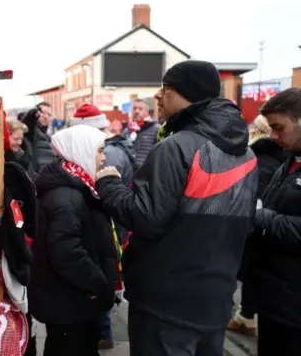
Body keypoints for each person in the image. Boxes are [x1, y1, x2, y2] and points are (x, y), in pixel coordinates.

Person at [95, 60, 258, 356]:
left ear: (186, 94)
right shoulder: (247, 154)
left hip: (165, 303)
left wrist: (109, 184)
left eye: (165, 89)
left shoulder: (176, 147)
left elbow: (144, 217)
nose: (157, 96)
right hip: (216, 298)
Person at [29, 124, 117, 356]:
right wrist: (98, 283)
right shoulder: (66, 194)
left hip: (73, 300)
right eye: (99, 150)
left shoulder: (78, 187)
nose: (103, 157)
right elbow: (66, 252)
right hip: (69, 301)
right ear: (82, 151)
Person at [69, 103, 134, 349]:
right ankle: (102, 329)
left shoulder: (107, 152)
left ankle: (102, 332)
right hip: (115, 221)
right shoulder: (117, 147)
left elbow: (103, 191)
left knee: (100, 273)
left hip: (108, 222)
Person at [244, 88, 301, 355]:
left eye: (279, 127)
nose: (273, 135)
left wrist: (259, 216)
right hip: (275, 296)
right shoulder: (289, 159)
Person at [229, 115, 287, 337]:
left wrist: (261, 217)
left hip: (257, 224)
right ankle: (247, 315)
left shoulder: (255, 156)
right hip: (267, 227)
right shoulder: (285, 159)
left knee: (252, 270)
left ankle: (246, 315)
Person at [21, 102, 55, 173]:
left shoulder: (48, 137)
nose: (46, 116)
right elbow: (28, 123)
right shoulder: (32, 131)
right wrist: (32, 115)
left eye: (49, 115)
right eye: (43, 113)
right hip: (35, 177)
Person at [130, 99, 160, 168]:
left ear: (146, 112)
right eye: (134, 108)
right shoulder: (127, 130)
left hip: (147, 171)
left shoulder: (156, 129)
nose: (137, 111)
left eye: (140, 109)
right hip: (130, 172)